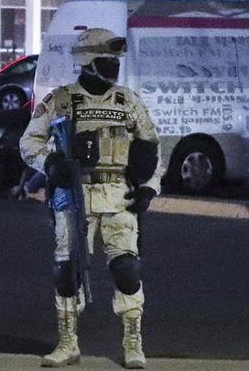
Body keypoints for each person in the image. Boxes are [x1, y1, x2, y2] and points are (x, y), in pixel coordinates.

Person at [20, 28, 161, 369]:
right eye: (105, 60)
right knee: (66, 272)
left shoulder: (128, 101)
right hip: (73, 195)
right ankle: (68, 343)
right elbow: (29, 144)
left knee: (126, 268)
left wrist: (149, 187)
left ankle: (132, 343)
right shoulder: (61, 100)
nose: (112, 66)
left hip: (119, 196)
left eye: (114, 61)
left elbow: (152, 148)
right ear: (86, 61)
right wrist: (51, 164)